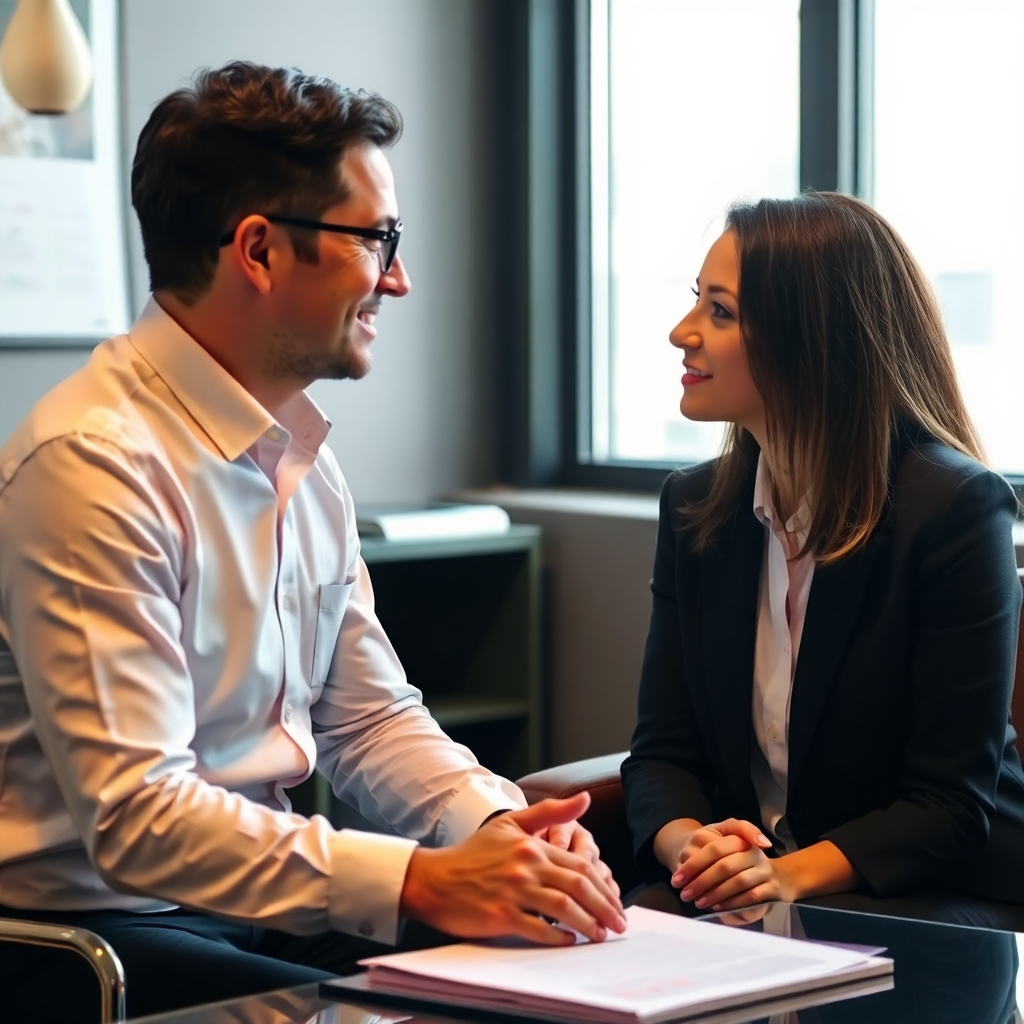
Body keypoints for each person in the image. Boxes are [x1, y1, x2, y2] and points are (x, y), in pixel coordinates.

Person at [0, 62, 624, 1022]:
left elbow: (367, 718)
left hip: (256, 909)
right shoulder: (92, 462)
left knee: (570, 973)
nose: (399, 278)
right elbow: (137, 818)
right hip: (95, 941)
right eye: (377, 239)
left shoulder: (297, 453)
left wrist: (503, 829)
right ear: (257, 249)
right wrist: (419, 882)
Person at [622, 192, 1024, 925]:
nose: (682, 333)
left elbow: (948, 806)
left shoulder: (955, 510)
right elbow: (661, 756)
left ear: (811, 338)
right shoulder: (693, 508)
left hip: (922, 903)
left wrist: (779, 875)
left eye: (720, 311)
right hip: (746, 908)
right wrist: (696, 848)